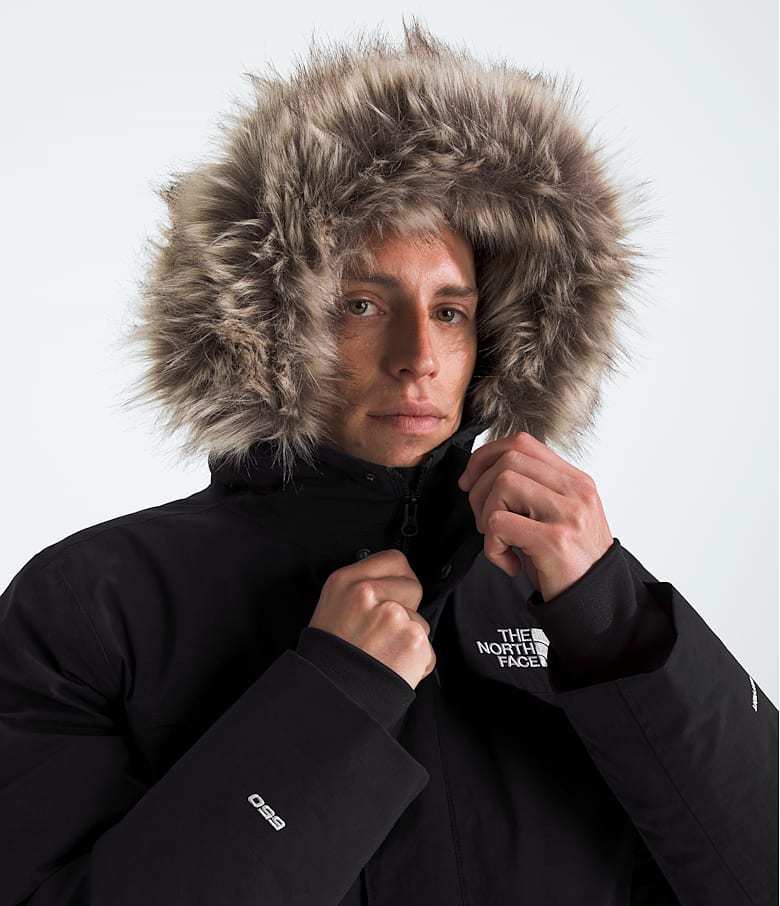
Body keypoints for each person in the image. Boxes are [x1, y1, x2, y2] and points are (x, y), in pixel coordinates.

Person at [1, 18, 776, 906]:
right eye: (362, 305)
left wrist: (617, 620)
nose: (419, 359)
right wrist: (335, 701)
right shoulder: (96, 605)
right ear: (267, 324)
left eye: (450, 312)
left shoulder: (567, 600)